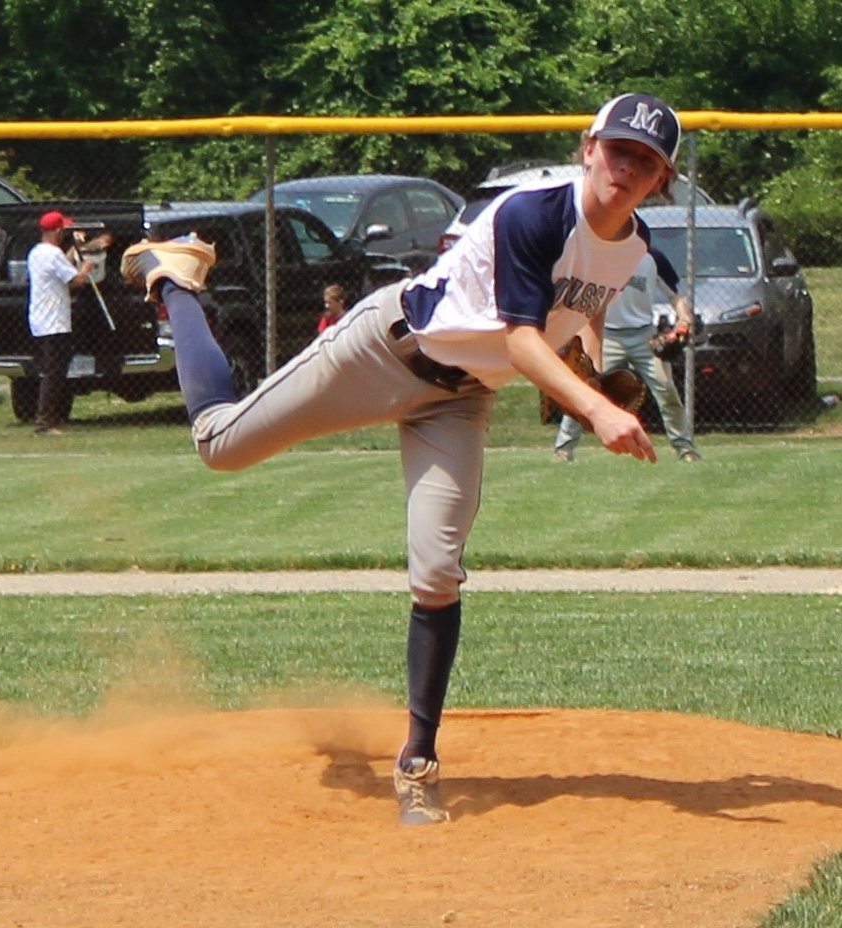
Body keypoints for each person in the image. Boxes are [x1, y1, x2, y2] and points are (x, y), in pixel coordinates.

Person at [121, 92, 679, 825]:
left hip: (458, 399)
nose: (627, 167)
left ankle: (417, 760)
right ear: (588, 147)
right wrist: (596, 406)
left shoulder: (634, 243)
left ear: (661, 179)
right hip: (382, 349)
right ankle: (175, 278)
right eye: (618, 150)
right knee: (219, 446)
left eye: (646, 161)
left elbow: (585, 304)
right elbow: (517, 339)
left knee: (437, 568)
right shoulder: (531, 212)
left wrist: (589, 363)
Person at [553, 247, 702, 462]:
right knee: (586, 388)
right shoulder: (598, 254)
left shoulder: (652, 257)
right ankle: (563, 448)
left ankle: (685, 448)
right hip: (608, 336)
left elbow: (675, 296)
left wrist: (684, 320)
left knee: (665, 388)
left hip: (644, 337)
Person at [27, 210, 96, 435]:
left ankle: (53, 418)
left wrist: (72, 252)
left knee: (54, 370)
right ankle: (45, 422)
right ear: (57, 230)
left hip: (40, 320)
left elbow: (59, 269)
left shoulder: (37, 253)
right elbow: (76, 281)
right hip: (53, 321)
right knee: (54, 372)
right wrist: (86, 267)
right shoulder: (52, 254)